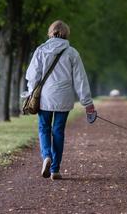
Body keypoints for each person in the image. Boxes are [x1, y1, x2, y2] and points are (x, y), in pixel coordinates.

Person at [25, 20, 95, 180]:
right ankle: (55, 169)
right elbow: (80, 79)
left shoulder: (41, 50)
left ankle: (47, 156)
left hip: (44, 97)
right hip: (64, 98)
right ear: (66, 34)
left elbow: (32, 75)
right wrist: (87, 102)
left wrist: (31, 93)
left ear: (51, 33)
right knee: (58, 131)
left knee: (44, 128)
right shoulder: (72, 53)